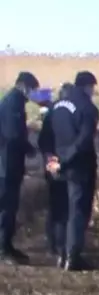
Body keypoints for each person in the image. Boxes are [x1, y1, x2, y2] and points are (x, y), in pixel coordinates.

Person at [46, 71, 99, 271]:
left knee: (60, 210)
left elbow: (46, 136)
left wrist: (51, 158)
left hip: (56, 166)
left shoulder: (56, 107)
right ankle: (72, 257)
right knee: (78, 212)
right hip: (79, 168)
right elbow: (84, 141)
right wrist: (66, 160)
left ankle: (60, 253)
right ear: (88, 87)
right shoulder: (88, 108)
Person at [0, 72, 40, 264]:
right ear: (24, 86)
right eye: (32, 89)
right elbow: (13, 134)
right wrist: (29, 148)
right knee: (6, 207)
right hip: (6, 165)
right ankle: (3, 249)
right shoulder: (13, 104)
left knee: (9, 206)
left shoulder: (13, 101)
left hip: (9, 164)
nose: (33, 94)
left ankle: (7, 244)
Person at [38, 83, 74, 267]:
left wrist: (49, 158)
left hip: (51, 165)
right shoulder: (72, 113)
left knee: (54, 207)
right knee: (64, 208)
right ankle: (62, 246)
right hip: (65, 167)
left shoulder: (51, 113)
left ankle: (53, 244)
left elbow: (42, 140)